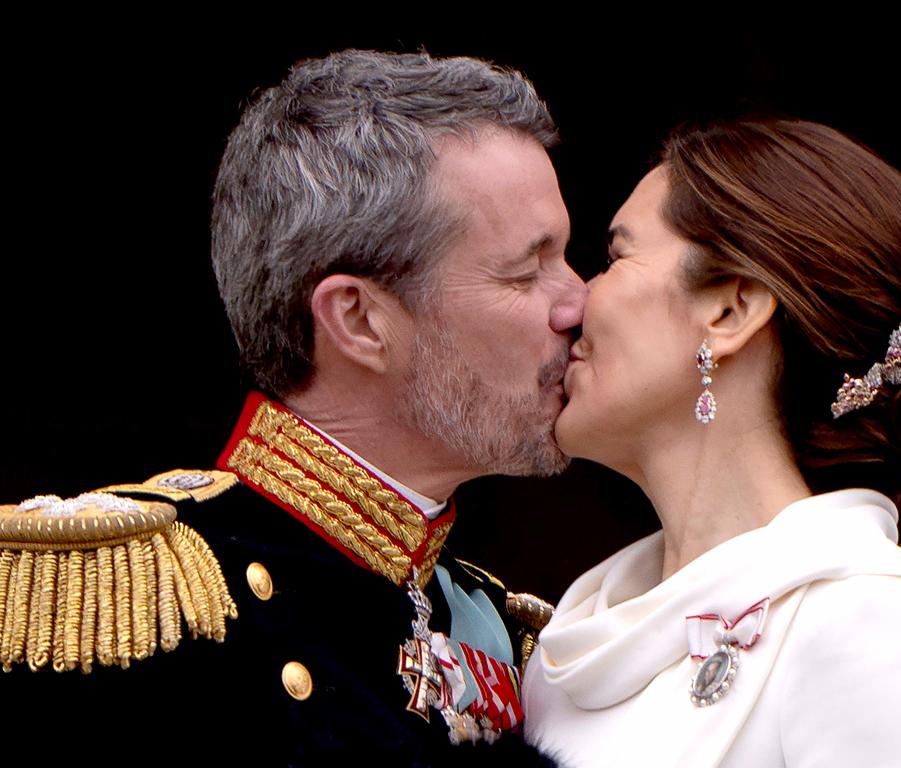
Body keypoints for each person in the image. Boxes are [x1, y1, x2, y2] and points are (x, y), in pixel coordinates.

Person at [1, 50, 584, 765]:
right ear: (360, 321)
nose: (579, 302)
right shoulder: (117, 598)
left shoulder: (504, 628)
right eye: (528, 270)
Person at [522, 119, 901, 766]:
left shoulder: (869, 622)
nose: (573, 301)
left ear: (730, 313)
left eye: (615, 259)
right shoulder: (567, 642)